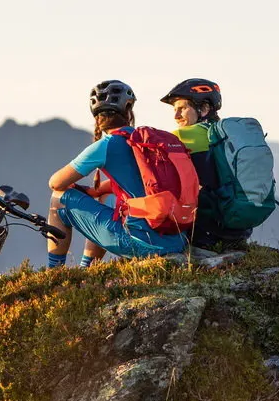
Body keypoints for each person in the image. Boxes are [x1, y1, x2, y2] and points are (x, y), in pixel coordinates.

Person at [45, 80, 188, 268]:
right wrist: (97, 191)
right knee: (105, 197)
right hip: (176, 239)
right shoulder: (143, 141)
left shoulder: (107, 144)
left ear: (96, 117)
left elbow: (55, 183)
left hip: (141, 245)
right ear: (129, 111)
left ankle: (56, 273)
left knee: (59, 199)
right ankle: (86, 269)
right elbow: (144, 183)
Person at [160, 78, 253, 250]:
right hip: (239, 229)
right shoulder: (229, 134)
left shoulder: (182, 135)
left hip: (205, 232)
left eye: (182, 108)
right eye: (174, 110)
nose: (176, 116)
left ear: (203, 109)